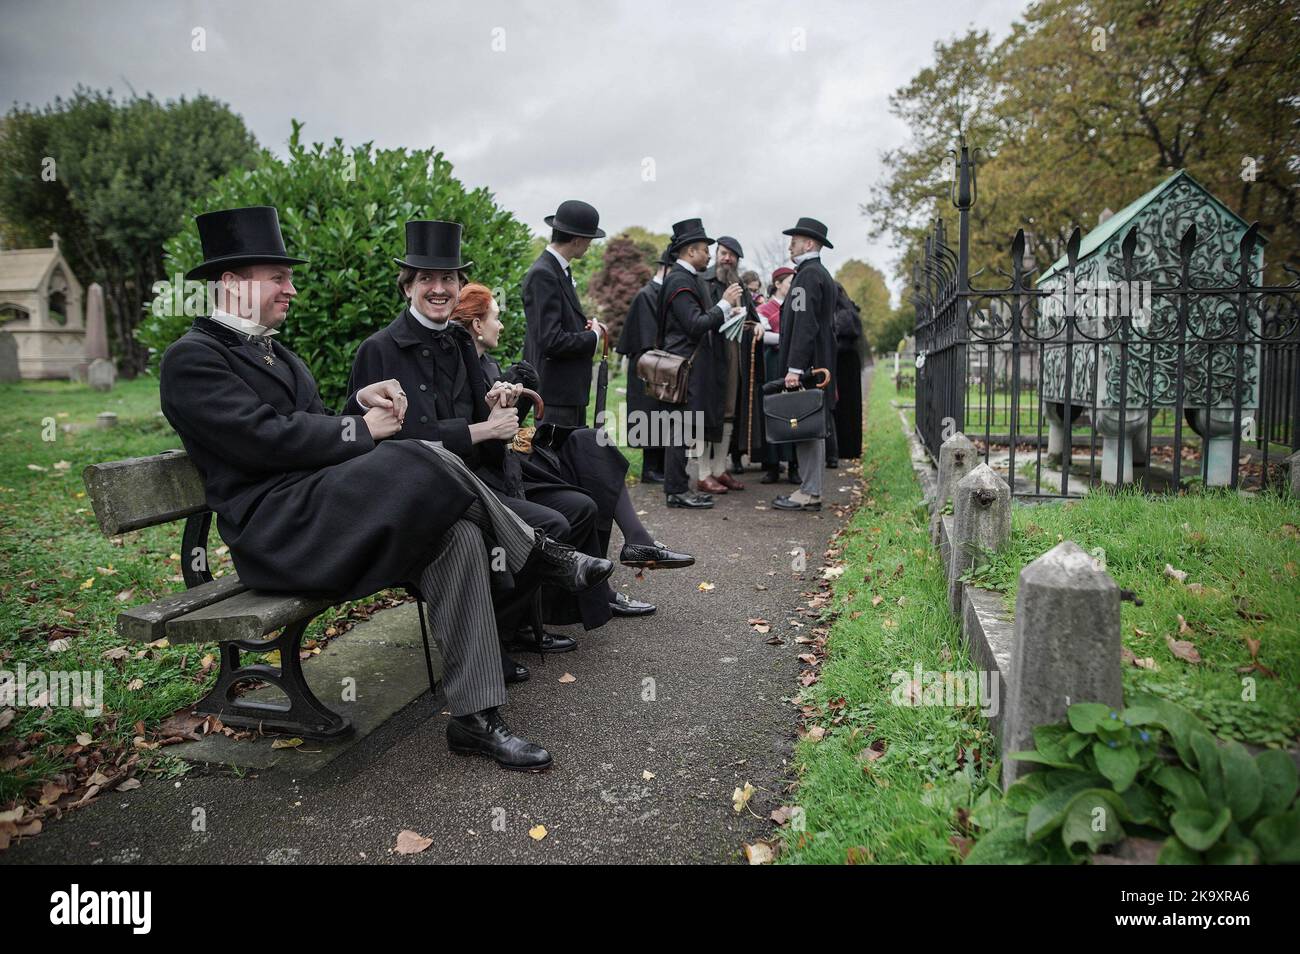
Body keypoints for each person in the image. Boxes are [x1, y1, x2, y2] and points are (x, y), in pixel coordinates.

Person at [160, 206, 612, 772]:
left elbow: (311, 426)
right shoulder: (192, 360)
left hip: (326, 512)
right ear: (231, 283)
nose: (291, 289)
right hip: (278, 534)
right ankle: (542, 552)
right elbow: (263, 440)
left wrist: (358, 405)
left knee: (457, 535)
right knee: (419, 453)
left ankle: (475, 718)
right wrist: (358, 428)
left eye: (288, 278)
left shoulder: (277, 352)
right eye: (279, 277)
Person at [345, 220, 634, 653]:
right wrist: (484, 428)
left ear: (460, 286)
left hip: (484, 481)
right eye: (427, 279)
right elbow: (405, 440)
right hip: (423, 497)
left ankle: (512, 629)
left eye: (449, 279)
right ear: (408, 287)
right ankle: (493, 642)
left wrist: (500, 403)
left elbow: (481, 419)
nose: (439, 288)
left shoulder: (459, 340)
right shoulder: (380, 349)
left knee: (574, 508)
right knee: (548, 523)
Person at [450, 282, 694, 589]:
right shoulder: (458, 368)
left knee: (590, 442)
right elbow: (481, 433)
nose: (500, 325)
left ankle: (636, 541)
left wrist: (514, 395)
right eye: (495, 318)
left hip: (512, 456)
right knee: (585, 482)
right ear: (476, 324)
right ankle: (613, 575)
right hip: (495, 473)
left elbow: (506, 423)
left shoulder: (488, 364)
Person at [658, 219, 742, 509]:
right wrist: (724, 305)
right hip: (683, 368)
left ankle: (679, 488)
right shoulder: (680, 280)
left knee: (682, 430)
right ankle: (676, 491)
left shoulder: (688, 277)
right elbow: (694, 325)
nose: (710, 255)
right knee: (678, 431)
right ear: (690, 251)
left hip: (689, 367)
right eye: (706, 249)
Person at [522, 199, 606, 425]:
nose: (590, 246)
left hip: (566, 393)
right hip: (555, 394)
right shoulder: (543, 274)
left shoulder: (559, 270)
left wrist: (581, 327)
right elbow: (550, 340)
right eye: (590, 239)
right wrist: (593, 337)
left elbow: (558, 323)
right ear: (577, 240)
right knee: (556, 460)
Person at [773, 217, 837, 512]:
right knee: (809, 424)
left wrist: (795, 368)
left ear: (809, 243)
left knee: (806, 424)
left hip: (809, 365)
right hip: (817, 361)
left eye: (794, 240)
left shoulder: (809, 275)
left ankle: (810, 491)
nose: (790, 245)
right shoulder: (816, 273)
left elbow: (804, 324)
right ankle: (809, 488)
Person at [699, 235, 761, 491]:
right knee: (707, 413)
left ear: (737, 260)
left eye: (731, 255)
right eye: (723, 253)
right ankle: (703, 473)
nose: (726, 258)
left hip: (735, 355)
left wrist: (756, 326)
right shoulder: (703, 280)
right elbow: (699, 318)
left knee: (729, 413)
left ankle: (719, 468)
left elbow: (753, 317)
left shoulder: (741, 286)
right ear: (716, 254)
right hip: (710, 354)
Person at [614, 247, 674, 483]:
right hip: (647, 367)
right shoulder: (647, 295)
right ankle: (650, 469)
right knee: (649, 415)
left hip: (660, 367)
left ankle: (658, 466)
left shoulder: (660, 293)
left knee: (661, 415)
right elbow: (645, 336)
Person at [756, 266, 798, 484]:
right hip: (773, 364)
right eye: (790, 282)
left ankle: (793, 465)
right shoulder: (764, 309)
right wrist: (787, 338)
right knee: (772, 411)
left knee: (793, 412)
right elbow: (764, 336)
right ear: (779, 284)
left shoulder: (795, 306)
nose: (793, 287)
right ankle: (772, 465)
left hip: (791, 363)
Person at [832, 282, 866, 462]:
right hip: (846, 362)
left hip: (843, 363)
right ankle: (847, 447)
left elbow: (842, 334)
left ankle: (846, 448)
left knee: (845, 408)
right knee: (847, 408)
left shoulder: (843, 313)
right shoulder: (847, 309)